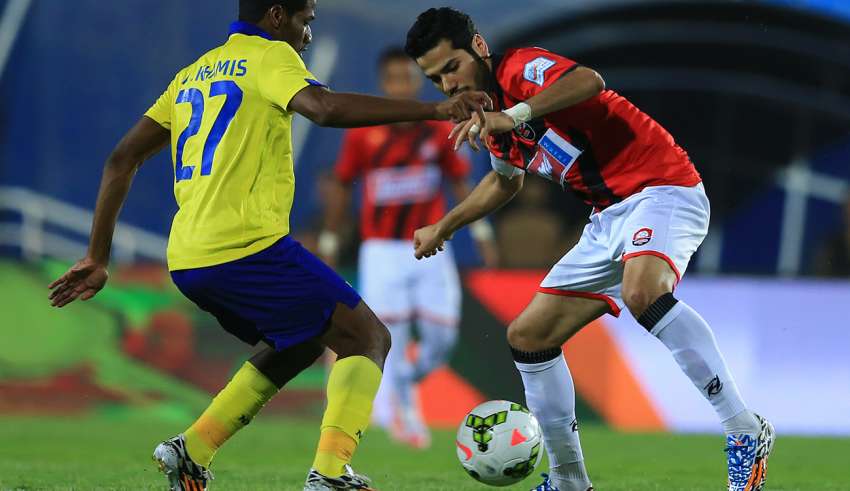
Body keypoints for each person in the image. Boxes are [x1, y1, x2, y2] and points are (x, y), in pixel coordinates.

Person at [46, 1, 491, 490]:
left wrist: (97, 255)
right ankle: (330, 473)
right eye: (306, 21)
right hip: (247, 246)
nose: (308, 34)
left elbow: (120, 159)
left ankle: (191, 450)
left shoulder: (193, 74)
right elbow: (322, 109)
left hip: (190, 259)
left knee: (300, 339)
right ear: (277, 16)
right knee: (368, 337)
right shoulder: (271, 57)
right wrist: (434, 109)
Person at [405, 8, 774, 491]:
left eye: (451, 67)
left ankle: (744, 428)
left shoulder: (520, 69)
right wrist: (444, 226)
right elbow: (503, 183)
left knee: (644, 294)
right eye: (435, 79)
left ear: (477, 47)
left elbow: (589, 82)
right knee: (528, 335)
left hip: (659, 187)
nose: (448, 85)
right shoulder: (488, 117)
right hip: (605, 218)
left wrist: (511, 114)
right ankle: (568, 482)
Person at [321, 46, 498, 449]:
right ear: (383, 83)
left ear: (416, 81)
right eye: (393, 80)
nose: (401, 87)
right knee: (392, 335)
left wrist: (482, 233)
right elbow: (342, 187)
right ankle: (405, 411)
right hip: (382, 250)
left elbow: (460, 184)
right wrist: (330, 240)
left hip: (433, 244)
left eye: (407, 79)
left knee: (442, 338)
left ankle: (401, 383)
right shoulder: (364, 135)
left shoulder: (437, 130)